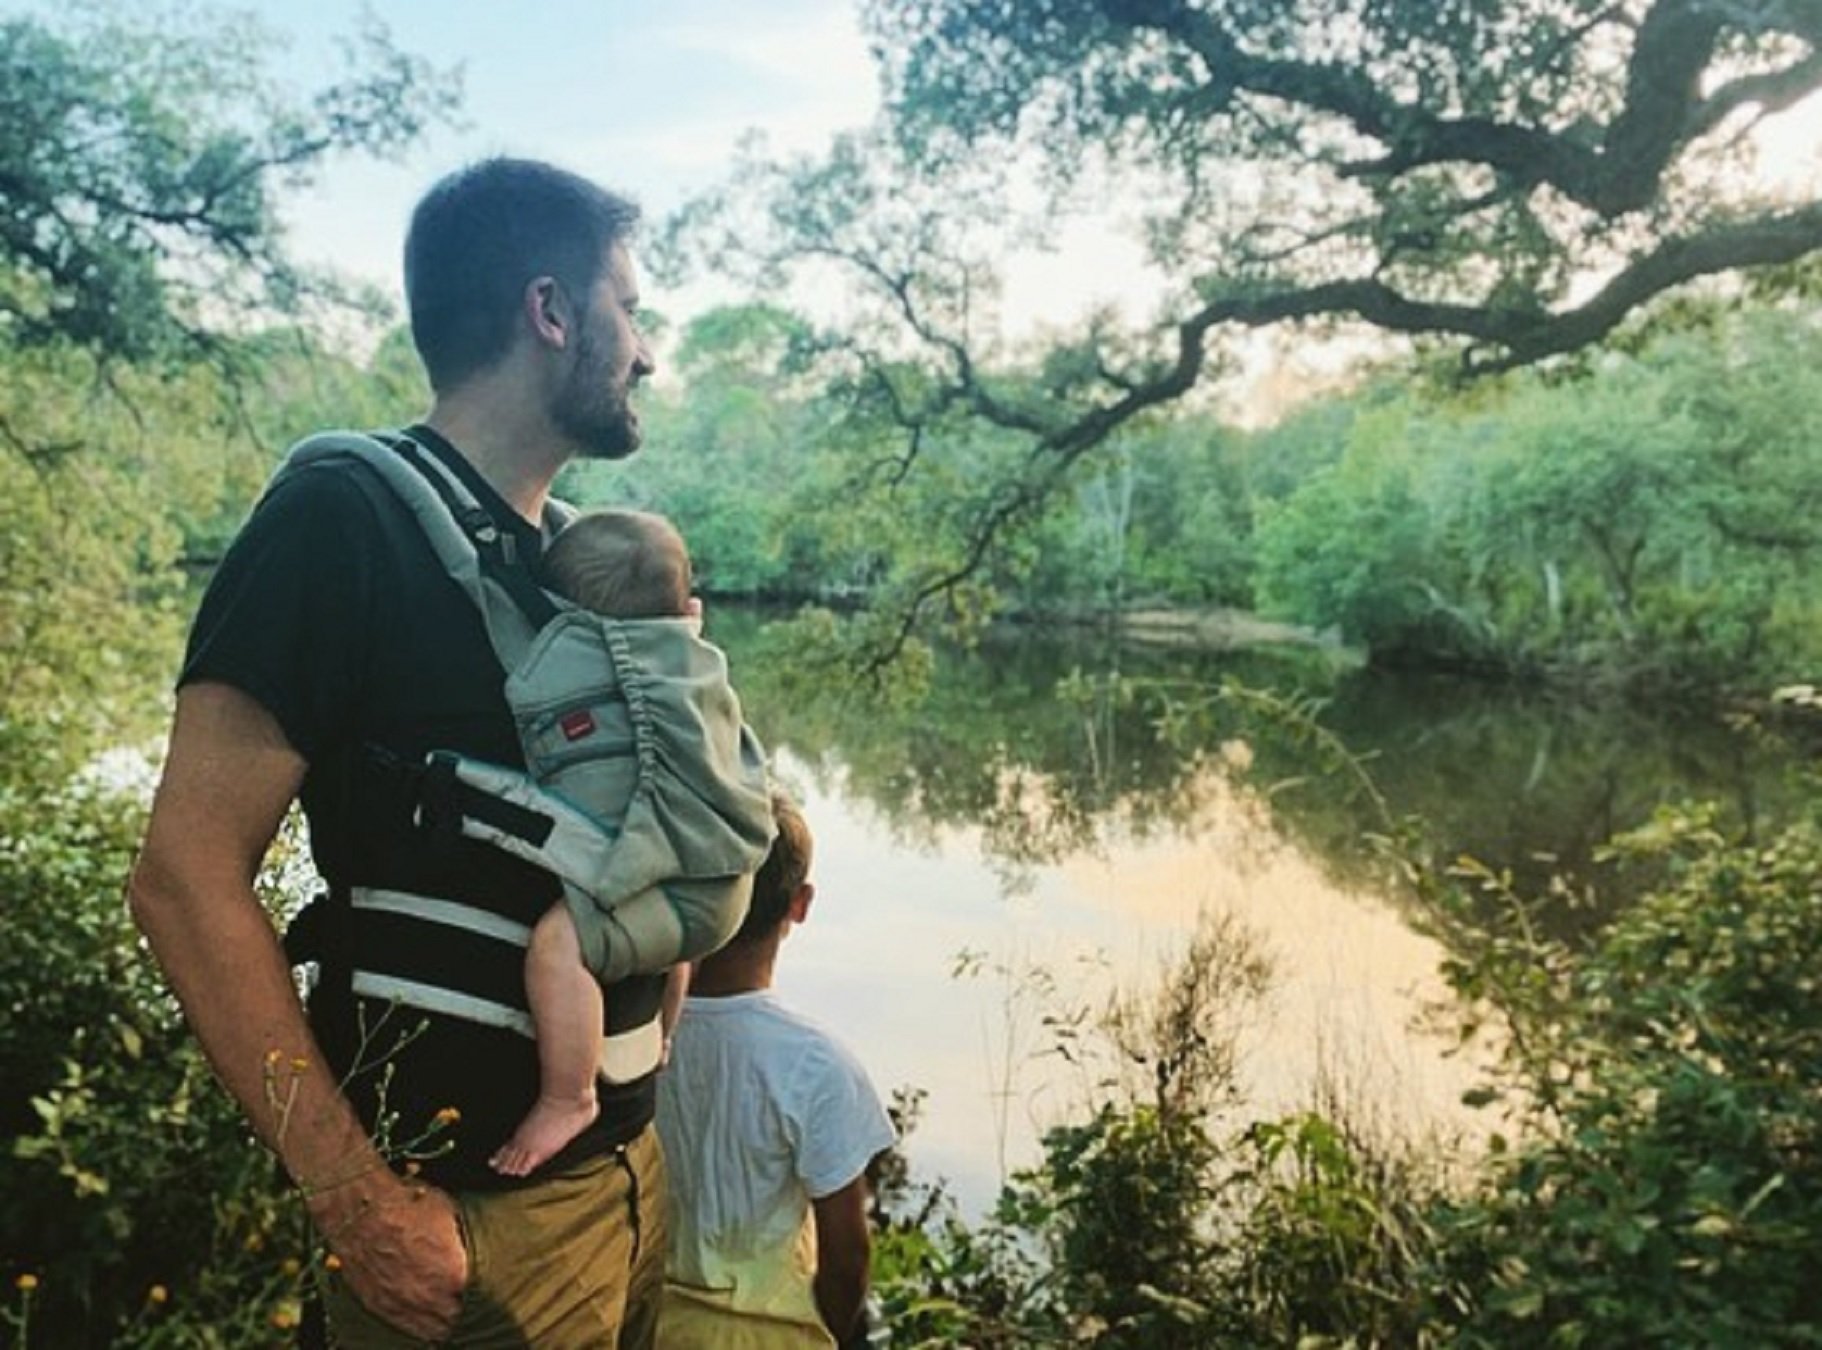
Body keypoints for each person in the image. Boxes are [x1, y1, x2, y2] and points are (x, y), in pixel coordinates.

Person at [128, 157, 673, 1346]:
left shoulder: (581, 563)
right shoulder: (343, 515)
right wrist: (352, 1198)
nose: (646, 353)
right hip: (465, 1230)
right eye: (630, 308)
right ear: (551, 311)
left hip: (629, 1193)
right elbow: (183, 878)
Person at [492, 507, 765, 1178]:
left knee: (559, 946)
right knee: (662, 925)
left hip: (675, 890)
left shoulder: (575, 661)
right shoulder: (698, 665)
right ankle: (660, 1034)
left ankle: (569, 1095)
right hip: (726, 882)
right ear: (691, 611)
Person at [656, 792, 896, 1349]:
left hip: (649, 1325)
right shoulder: (817, 1065)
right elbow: (848, 1256)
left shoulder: (636, 1038)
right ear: (801, 904)